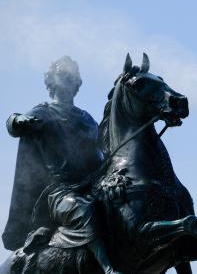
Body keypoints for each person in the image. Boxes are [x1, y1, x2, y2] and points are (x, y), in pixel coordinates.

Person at [3, 56, 121, 274]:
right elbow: (13, 123)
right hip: (59, 193)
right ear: (52, 82)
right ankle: (108, 268)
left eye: (71, 77)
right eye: (63, 75)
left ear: (76, 84)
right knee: (83, 209)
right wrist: (18, 120)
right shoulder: (43, 112)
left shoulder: (87, 118)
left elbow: (104, 149)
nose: (67, 80)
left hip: (91, 186)